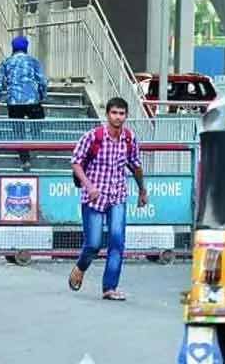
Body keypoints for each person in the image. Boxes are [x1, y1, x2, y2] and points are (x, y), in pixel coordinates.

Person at [68, 97, 148, 301]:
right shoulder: (93, 137)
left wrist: (142, 190)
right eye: (114, 113)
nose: (118, 117)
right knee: (93, 244)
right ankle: (80, 267)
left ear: (126, 116)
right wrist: (89, 185)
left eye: (121, 114)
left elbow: (135, 165)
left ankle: (109, 287)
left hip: (118, 195)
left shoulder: (129, 138)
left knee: (117, 240)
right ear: (107, 115)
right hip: (94, 197)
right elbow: (76, 163)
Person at [0, 35, 48, 170]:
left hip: (14, 101)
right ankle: (32, 142)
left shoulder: (6, 62)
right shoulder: (33, 61)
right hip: (32, 100)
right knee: (39, 121)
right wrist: (42, 96)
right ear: (26, 48)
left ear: (13, 48)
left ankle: (25, 159)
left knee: (18, 131)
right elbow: (42, 81)